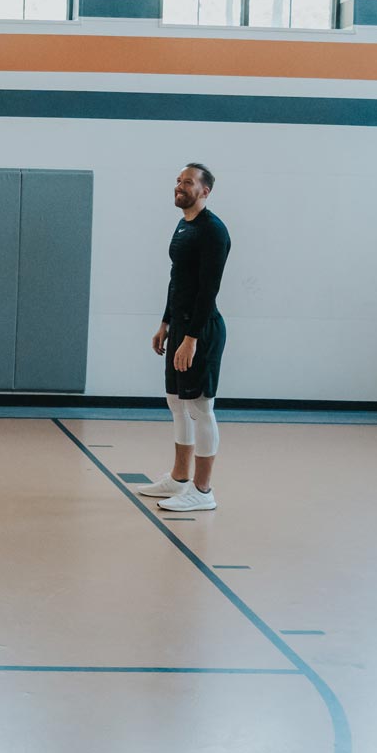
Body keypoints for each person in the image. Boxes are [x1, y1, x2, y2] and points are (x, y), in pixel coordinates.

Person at [139, 164, 231, 512]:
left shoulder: (213, 232)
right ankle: (178, 479)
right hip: (179, 327)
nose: (180, 186)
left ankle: (203, 490)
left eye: (188, 183)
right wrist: (166, 322)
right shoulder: (183, 226)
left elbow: (208, 290)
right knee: (176, 402)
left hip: (202, 330)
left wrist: (191, 338)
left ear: (205, 191)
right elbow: (177, 279)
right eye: (178, 181)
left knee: (200, 406)